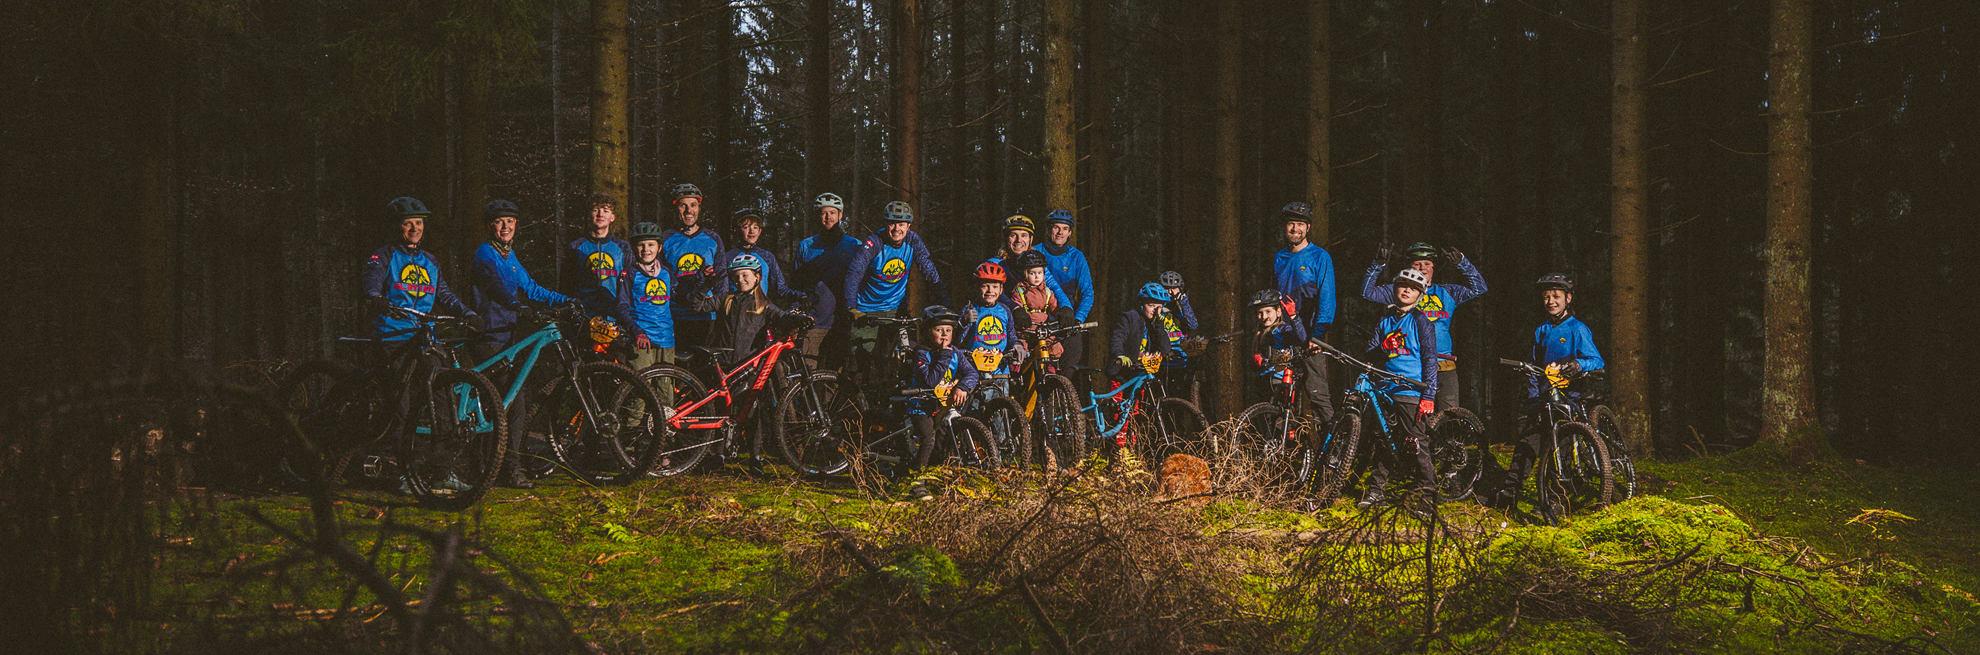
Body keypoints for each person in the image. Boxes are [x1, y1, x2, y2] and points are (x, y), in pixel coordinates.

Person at [1491, 273, 1607, 509]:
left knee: (1560, 449)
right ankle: (1509, 494)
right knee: (1527, 444)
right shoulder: (1541, 330)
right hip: (1544, 399)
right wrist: (1533, 398)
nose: (1551, 301)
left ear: (1568, 299)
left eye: (1556, 296)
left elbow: (1597, 360)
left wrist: (1579, 364)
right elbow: (1534, 368)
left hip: (1569, 399)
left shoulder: (1578, 329)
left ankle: (1556, 498)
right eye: (1546, 297)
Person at [1362, 241, 1488, 411]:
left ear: (1434, 267)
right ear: (1408, 267)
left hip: (1443, 365)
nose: (1422, 268)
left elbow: (1479, 288)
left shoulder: (1447, 292)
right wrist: (1378, 264)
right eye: (1417, 264)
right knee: (1415, 419)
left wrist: (1462, 263)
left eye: (1427, 264)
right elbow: (1367, 292)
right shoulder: (1401, 290)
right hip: (1410, 367)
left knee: (1448, 415)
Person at [1357, 269, 1440, 509]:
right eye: (1402, 286)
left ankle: (1427, 496)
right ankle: (1376, 492)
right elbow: (1371, 353)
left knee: (1416, 442)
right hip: (1385, 389)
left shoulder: (1421, 321)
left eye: (1412, 288)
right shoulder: (1385, 320)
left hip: (1411, 390)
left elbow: (1430, 359)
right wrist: (1383, 347)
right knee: (1383, 441)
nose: (1406, 290)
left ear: (1420, 295)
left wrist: (1429, 395)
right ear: (1394, 289)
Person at [842, 201, 949, 384]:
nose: (896, 229)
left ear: (909, 226)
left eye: (901, 224)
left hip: (896, 309)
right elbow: (854, 272)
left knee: (912, 353)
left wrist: (945, 304)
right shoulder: (874, 242)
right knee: (860, 363)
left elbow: (929, 270)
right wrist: (851, 306)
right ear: (885, 224)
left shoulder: (913, 240)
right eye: (892, 223)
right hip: (866, 310)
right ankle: (853, 408)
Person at [363, 196, 476, 343]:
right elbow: (372, 280)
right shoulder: (385, 255)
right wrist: (375, 297)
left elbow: (443, 294)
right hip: (393, 335)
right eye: (407, 223)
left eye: (418, 223)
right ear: (396, 226)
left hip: (425, 335)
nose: (414, 228)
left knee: (439, 364)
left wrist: (467, 313)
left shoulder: (430, 261)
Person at [469, 199, 570, 361]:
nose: (505, 227)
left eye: (510, 221)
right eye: (498, 222)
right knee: (505, 385)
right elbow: (493, 286)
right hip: (488, 333)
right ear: (489, 226)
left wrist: (565, 300)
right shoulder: (485, 253)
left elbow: (531, 288)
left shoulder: (509, 255)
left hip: (506, 331)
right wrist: (516, 305)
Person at [903, 305, 979, 501]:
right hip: (921, 405)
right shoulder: (922, 352)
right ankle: (916, 482)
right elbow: (930, 380)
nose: (945, 335)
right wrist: (944, 356)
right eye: (939, 330)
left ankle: (940, 477)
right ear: (928, 332)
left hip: (943, 405)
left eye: (949, 330)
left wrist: (963, 387)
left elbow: (972, 373)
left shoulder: (956, 352)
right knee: (928, 439)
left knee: (944, 441)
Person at [1273, 201, 1336, 422]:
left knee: (1318, 395)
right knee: (1279, 394)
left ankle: (1334, 447)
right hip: (1282, 336)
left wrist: (1318, 335)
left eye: (1300, 224)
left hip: (1309, 336)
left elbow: (1327, 299)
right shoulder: (1279, 258)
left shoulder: (1320, 257)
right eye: (1291, 224)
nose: (1295, 229)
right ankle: (1283, 449)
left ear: (1308, 228)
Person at [793, 192, 863, 369]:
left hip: (841, 321)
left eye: (832, 212)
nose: (828, 217)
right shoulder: (806, 246)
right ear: (817, 216)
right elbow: (795, 283)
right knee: (807, 375)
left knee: (834, 376)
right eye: (823, 213)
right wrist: (795, 313)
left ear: (840, 215)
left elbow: (862, 283)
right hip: (813, 321)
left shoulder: (855, 246)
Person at [662, 183, 726, 347]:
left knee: (703, 367)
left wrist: (721, 311)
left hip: (705, 315)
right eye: (683, 205)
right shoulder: (665, 238)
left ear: (699, 208)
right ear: (675, 208)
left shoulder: (712, 239)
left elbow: (721, 279)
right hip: (675, 314)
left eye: (693, 205)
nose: (688, 210)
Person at [708, 252, 792, 367]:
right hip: (724, 362)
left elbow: (782, 317)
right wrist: (706, 285)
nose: (740, 280)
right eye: (736, 276)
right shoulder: (725, 299)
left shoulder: (764, 304)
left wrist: (799, 318)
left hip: (750, 363)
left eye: (744, 275)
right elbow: (697, 305)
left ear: (757, 277)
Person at [716, 207, 806, 306]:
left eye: (755, 227)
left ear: (760, 231)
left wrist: (800, 296)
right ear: (736, 230)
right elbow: (722, 291)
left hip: (759, 314)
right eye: (746, 227)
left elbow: (781, 289)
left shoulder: (767, 257)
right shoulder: (727, 257)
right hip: (734, 313)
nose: (751, 231)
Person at [1038, 209, 1095, 364]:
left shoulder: (1077, 257)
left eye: (1064, 229)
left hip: (1069, 318)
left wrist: (1079, 319)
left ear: (1070, 233)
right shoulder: (1036, 252)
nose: (1060, 232)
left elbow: (1088, 293)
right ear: (1048, 230)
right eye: (1056, 227)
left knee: (1071, 362)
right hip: (1040, 315)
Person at [958, 262, 1028, 379]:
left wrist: (1017, 344)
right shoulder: (970, 309)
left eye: (995, 286)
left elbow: (1011, 336)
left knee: (1003, 396)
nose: (990, 290)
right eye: (985, 286)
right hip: (975, 370)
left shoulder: (1005, 310)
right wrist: (964, 322)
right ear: (977, 287)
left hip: (1000, 369)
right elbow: (957, 340)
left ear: (1001, 290)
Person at [1004, 250, 1075, 363]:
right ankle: (1016, 373)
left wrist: (1062, 315)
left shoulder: (1047, 292)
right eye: (1032, 273)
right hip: (1026, 331)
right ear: (1025, 274)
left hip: (1043, 330)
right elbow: (1016, 307)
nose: (1037, 276)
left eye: (1040, 273)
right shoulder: (1020, 291)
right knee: (1020, 351)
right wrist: (1019, 315)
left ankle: (1050, 371)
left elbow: (1054, 307)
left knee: (1054, 348)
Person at [624, 222, 677, 373]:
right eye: (641, 245)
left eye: (651, 245)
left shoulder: (666, 273)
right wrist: (637, 331)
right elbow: (621, 307)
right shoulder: (629, 273)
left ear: (659, 248)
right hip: (641, 340)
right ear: (634, 248)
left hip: (666, 339)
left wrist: (703, 281)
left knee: (665, 391)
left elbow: (678, 297)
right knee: (642, 391)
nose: (646, 250)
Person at [1107, 283, 1175, 382]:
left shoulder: (1155, 324)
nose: (1155, 310)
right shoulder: (1130, 317)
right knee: (1118, 397)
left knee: (1141, 397)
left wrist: (1160, 327)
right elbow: (1118, 338)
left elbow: (1166, 349)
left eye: (1159, 307)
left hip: (1141, 374)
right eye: (1151, 306)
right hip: (1121, 372)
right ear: (1141, 304)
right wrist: (1119, 354)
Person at [1247, 289, 1309, 389]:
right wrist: (1254, 361)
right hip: (1264, 380)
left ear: (1278, 312)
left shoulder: (1282, 329)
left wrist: (1294, 317)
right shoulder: (1259, 334)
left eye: (1268, 312)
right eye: (1260, 313)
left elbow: (1301, 339)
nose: (1264, 317)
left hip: (1281, 381)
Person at [1156, 271, 1201, 402]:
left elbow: (1193, 325)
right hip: (1162, 363)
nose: (1170, 293)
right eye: (1166, 289)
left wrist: (1183, 302)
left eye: (1173, 289)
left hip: (1183, 362)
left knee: (1184, 401)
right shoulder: (1157, 308)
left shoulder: (1183, 308)